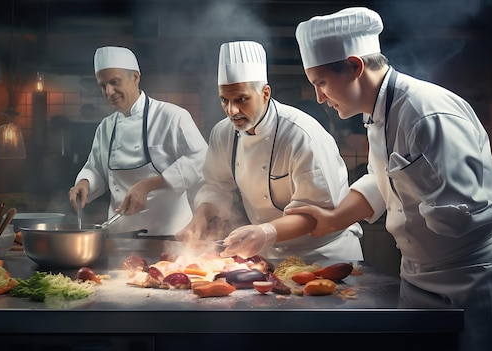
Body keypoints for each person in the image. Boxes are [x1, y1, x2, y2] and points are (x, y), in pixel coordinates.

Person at [290, 7, 492, 351]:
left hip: (472, 275)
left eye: (321, 83)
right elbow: (385, 179)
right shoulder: (377, 115)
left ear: (355, 67)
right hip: (418, 275)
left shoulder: (427, 113)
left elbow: (466, 214)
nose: (319, 97)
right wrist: (332, 219)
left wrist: (428, 207)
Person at [176, 40, 363, 262]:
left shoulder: (302, 134)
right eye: (224, 100)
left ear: (265, 93)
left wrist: (265, 232)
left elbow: (319, 214)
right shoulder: (222, 133)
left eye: (241, 99)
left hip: (324, 254)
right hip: (270, 254)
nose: (231, 110)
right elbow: (217, 186)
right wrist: (201, 216)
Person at [69, 46, 208, 236]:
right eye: (102, 86)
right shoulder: (106, 127)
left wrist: (149, 184)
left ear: (135, 77)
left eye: (114, 82)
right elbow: (96, 169)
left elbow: (201, 160)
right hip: (120, 236)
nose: (109, 92)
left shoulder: (172, 116)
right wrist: (84, 183)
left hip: (170, 235)